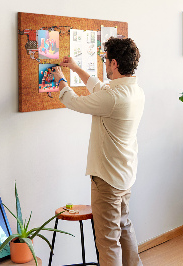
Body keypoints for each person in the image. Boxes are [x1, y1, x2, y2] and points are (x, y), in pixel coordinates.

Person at [49, 37, 144, 266]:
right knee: (124, 229)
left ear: (114, 63)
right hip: (124, 175)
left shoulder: (112, 97)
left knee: (108, 241)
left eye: (105, 61)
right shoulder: (134, 91)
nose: (104, 65)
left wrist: (60, 79)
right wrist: (75, 67)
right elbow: (99, 88)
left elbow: (75, 102)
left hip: (107, 179)